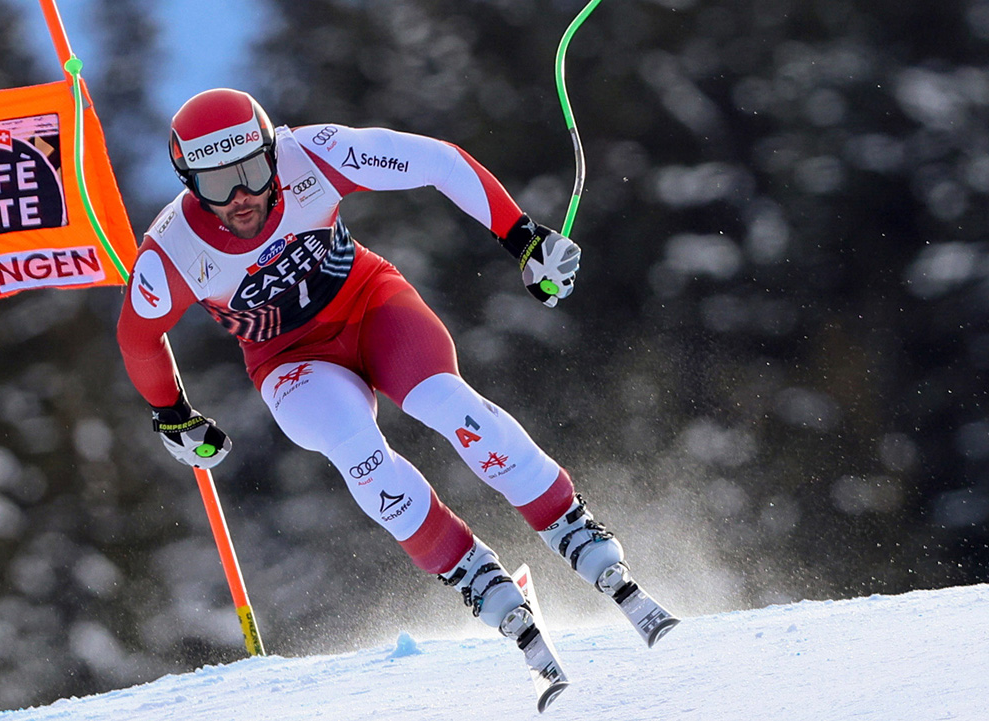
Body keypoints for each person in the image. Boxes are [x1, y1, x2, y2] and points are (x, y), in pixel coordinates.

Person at [116, 88, 677, 663]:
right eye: (216, 184)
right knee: (356, 450)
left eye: (253, 171)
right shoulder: (172, 250)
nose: (241, 197)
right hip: (289, 361)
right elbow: (137, 335)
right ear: (188, 181)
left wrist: (522, 237)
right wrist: (172, 414)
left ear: (271, 152)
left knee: (447, 403)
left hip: (371, 307)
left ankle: (569, 523)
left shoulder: (311, 154)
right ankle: (467, 570)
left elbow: (438, 161)